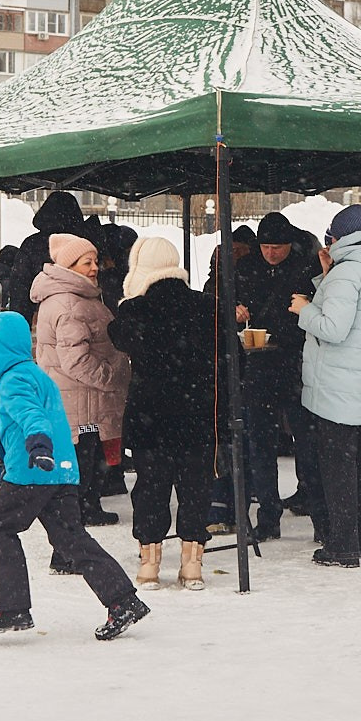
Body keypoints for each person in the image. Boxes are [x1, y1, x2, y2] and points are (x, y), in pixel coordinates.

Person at [0, 310, 150, 638]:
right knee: (71, 539)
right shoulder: (38, 374)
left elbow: (32, 417)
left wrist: (38, 448)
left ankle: (12, 608)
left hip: (33, 470)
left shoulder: (13, 380)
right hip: (62, 473)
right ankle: (122, 600)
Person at [109, 238, 216, 590]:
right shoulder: (206, 307)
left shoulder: (134, 311)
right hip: (198, 414)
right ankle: (192, 564)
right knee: (195, 487)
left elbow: (118, 335)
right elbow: (233, 362)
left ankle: (149, 565)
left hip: (150, 415)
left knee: (151, 488)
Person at [293, 205, 361, 569]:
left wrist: (303, 309)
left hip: (338, 386)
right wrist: (326, 275)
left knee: (337, 467)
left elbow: (333, 329)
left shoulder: (347, 273)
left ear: (338, 238)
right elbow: (358, 312)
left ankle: (343, 546)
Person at [30, 234, 130, 528]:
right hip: (81, 396)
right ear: (69, 267)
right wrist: (109, 376)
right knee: (82, 459)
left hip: (83, 396)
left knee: (89, 457)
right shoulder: (69, 303)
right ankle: (79, 512)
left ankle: (88, 506)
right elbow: (75, 359)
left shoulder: (81, 296)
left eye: (95, 261)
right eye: (87, 262)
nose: (95, 268)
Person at [231, 211, 319, 539]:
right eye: (266, 246)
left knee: (306, 440)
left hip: (294, 365)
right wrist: (237, 311)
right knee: (260, 444)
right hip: (257, 368)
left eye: (278, 247)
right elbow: (230, 303)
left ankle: (313, 504)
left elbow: (312, 315)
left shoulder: (303, 268)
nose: (271, 253)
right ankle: (268, 514)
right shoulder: (245, 267)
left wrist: (280, 334)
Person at [7, 191, 91, 327]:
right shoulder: (81, 244)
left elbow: (19, 286)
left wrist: (22, 323)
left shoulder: (31, 244)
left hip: (41, 318)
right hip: (79, 317)